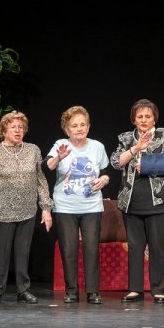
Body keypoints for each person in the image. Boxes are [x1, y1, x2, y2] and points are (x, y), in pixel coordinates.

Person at [112, 98, 164, 304]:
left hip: (159, 202)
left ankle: (158, 290)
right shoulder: (126, 138)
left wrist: (148, 165)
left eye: (148, 116)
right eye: (139, 116)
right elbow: (116, 162)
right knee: (135, 247)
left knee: (157, 246)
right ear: (134, 119)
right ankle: (135, 289)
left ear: (154, 119)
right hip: (131, 202)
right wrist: (135, 148)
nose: (143, 120)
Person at [0, 111, 53, 304]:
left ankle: (23, 290)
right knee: (2, 254)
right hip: (2, 210)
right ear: (3, 130)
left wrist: (46, 208)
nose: (18, 130)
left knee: (23, 253)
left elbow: (41, 180)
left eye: (21, 127)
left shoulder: (33, 150)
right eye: (13, 127)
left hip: (27, 210)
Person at [46, 105, 111, 305]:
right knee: (69, 250)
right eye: (74, 126)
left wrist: (104, 180)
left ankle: (93, 291)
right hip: (65, 207)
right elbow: (46, 166)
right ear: (67, 129)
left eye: (83, 124)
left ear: (89, 127)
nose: (79, 129)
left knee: (91, 249)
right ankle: (71, 291)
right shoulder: (61, 144)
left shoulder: (97, 147)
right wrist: (59, 157)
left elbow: (107, 173)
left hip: (92, 206)